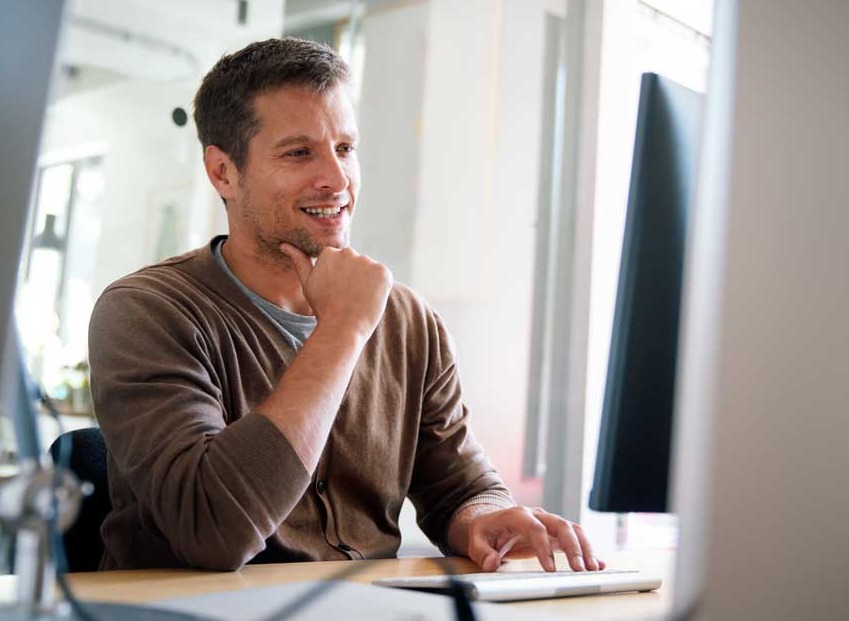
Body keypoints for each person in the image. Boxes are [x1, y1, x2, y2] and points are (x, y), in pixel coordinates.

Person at [88, 37, 604, 573]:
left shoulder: (408, 321)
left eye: (345, 148)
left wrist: (485, 518)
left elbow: (462, 487)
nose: (337, 181)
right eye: (298, 152)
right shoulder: (146, 312)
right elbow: (213, 530)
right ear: (224, 172)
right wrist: (341, 331)